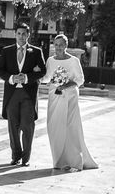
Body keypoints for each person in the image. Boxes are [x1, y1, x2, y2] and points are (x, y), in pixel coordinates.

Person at [41, 34, 98, 172]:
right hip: (54, 96)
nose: (58, 47)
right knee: (54, 127)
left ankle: (75, 161)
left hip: (70, 96)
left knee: (71, 128)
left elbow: (80, 80)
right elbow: (47, 78)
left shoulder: (73, 61)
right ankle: (58, 161)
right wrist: (37, 76)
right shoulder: (50, 60)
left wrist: (65, 85)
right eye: (56, 44)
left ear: (66, 45)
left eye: (61, 44)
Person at [0, 22, 46, 166]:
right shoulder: (7, 51)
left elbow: (42, 71)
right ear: (15, 34)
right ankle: (15, 156)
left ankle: (26, 158)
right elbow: (0, 70)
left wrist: (27, 77)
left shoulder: (36, 51)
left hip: (28, 95)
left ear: (28, 35)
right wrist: (11, 78)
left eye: (24, 34)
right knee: (13, 127)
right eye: (19, 33)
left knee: (27, 126)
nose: (21, 36)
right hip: (12, 94)